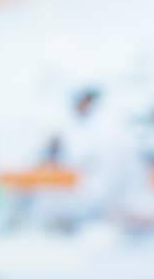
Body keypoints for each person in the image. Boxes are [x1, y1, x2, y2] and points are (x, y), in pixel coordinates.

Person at [56, 84, 138, 223]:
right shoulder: (71, 126)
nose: (84, 105)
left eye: (87, 102)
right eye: (82, 102)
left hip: (98, 183)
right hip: (77, 183)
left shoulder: (105, 128)